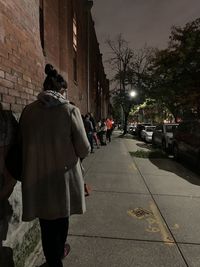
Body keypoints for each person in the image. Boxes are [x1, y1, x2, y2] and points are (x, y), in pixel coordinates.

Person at [18, 64, 90, 267]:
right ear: (61, 90)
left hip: (37, 179)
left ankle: (54, 255)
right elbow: (84, 149)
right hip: (62, 180)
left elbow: (21, 144)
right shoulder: (70, 110)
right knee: (61, 219)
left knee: (46, 223)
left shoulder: (28, 111)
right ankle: (55, 257)